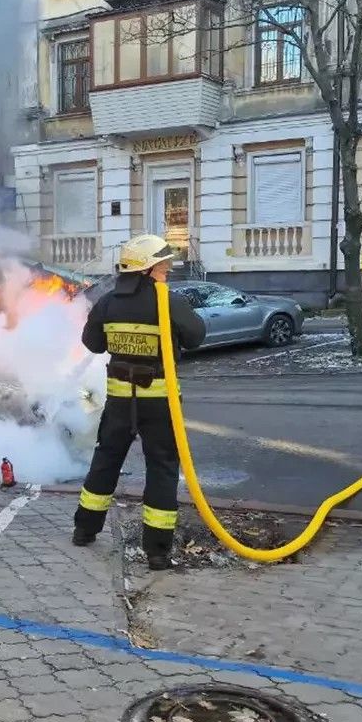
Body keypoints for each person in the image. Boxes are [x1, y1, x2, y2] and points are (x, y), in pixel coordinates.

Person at [72, 234, 205, 571]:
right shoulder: (167, 301)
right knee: (161, 468)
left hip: (119, 401)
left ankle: (84, 530)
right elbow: (196, 336)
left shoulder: (107, 302)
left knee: (106, 460)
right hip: (160, 402)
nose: (168, 269)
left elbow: (93, 344)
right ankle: (158, 552)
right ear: (147, 269)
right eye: (163, 264)